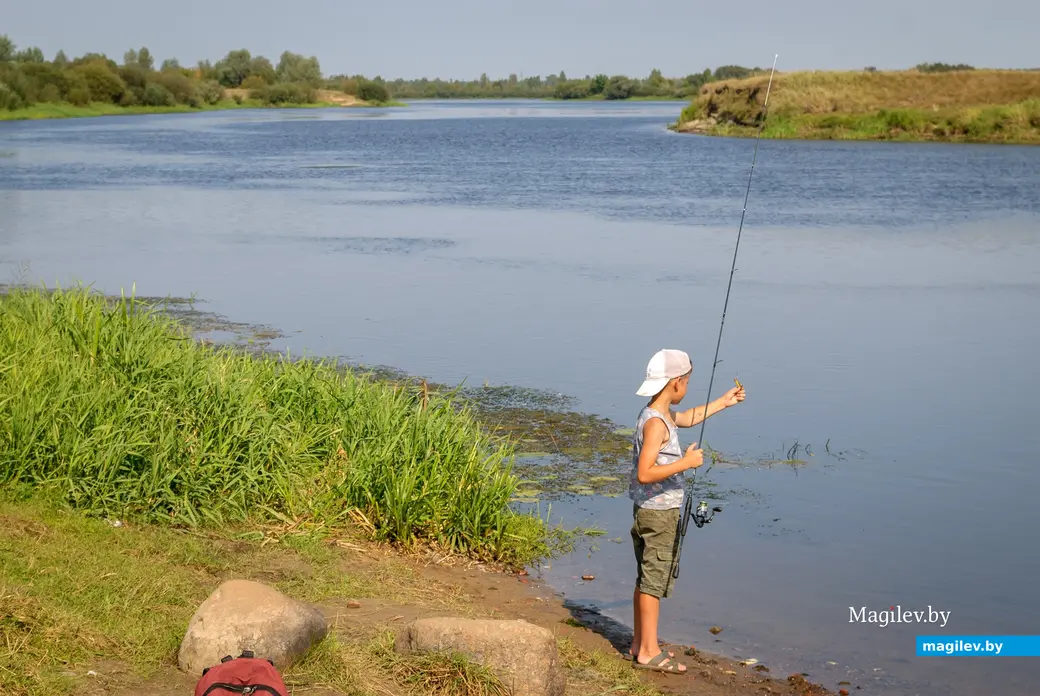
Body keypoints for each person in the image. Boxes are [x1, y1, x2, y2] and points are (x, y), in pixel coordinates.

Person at [628, 348, 745, 674]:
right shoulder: (656, 425)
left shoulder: (656, 414)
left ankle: (640, 643)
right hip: (659, 515)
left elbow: (690, 417)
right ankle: (649, 651)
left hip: (648, 511)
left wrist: (725, 401)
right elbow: (644, 472)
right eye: (688, 382)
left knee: (644, 578)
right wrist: (686, 463)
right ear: (676, 384)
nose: (688, 388)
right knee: (653, 582)